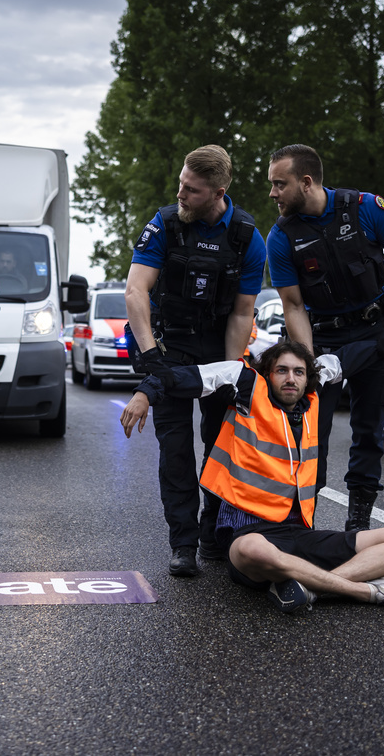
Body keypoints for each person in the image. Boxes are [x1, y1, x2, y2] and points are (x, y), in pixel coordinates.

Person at [121, 337, 384, 614]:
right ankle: (365, 591)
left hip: (299, 534)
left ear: (308, 378)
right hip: (249, 536)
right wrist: (145, 392)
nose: (291, 378)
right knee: (255, 551)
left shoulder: (313, 396)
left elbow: (367, 350)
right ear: (268, 375)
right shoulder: (246, 387)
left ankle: (314, 589)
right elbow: (188, 376)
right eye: (282, 371)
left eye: (299, 372)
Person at [124, 144, 267, 577]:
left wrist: (230, 371)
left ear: (218, 192)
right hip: (168, 347)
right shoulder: (165, 224)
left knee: (219, 447)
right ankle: (183, 543)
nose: (181, 194)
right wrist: (151, 357)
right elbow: (136, 291)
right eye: (181, 184)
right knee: (176, 451)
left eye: (192, 190)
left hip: (215, 350)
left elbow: (243, 312)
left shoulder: (246, 237)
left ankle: (212, 534)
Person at [266, 144, 384, 531]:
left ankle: (358, 525)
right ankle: (302, 524)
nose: (273, 193)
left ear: (306, 182)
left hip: (374, 334)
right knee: (310, 436)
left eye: (279, 184)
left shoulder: (366, 207)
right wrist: (307, 361)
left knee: (369, 432)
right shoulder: (281, 235)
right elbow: (293, 305)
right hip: (322, 339)